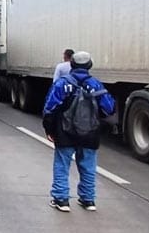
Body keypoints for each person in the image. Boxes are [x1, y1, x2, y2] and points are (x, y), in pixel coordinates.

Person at [43, 51, 115, 212]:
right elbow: (109, 108)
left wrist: (49, 129)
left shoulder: (62, 84)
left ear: (72, 64)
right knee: (88, 167)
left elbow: (49, 108)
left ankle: (61, 200)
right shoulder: (96, 84)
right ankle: (88, 200)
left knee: (62, 165)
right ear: (89, 65)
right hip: (90, 133)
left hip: (65, 132)